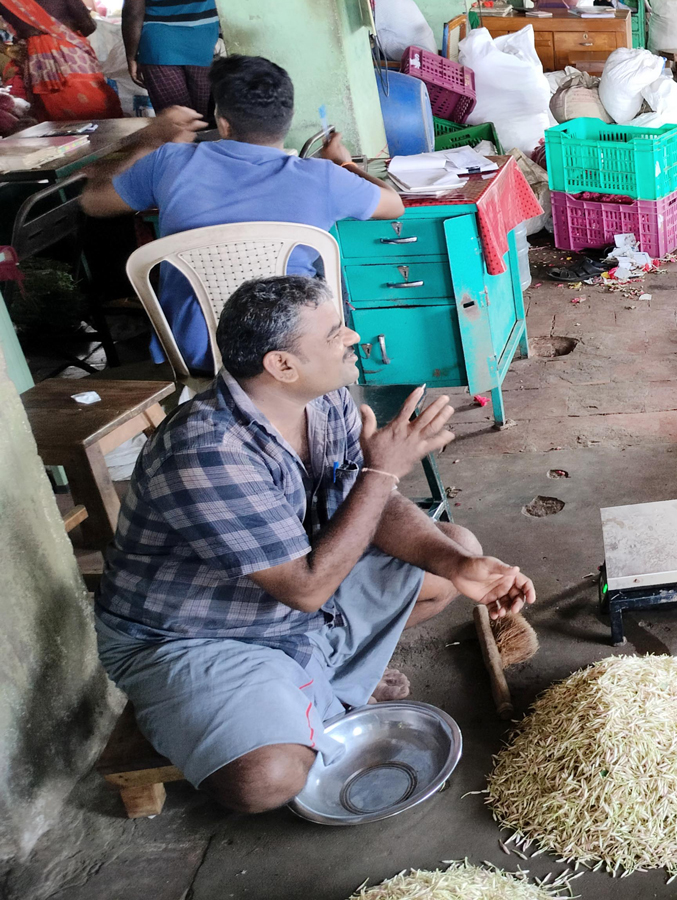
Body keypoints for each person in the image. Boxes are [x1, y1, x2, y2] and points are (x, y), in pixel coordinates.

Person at [94, 275, 537, 813]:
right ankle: (195, 700)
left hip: (294, 604)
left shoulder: (324, 403)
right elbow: (305, 588)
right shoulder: (207, 450)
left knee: (451, 554)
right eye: (333, 334)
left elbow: (366, 506)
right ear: (283, 365)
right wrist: (382, 471)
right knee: (266, 781)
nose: (352, 336)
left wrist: (458, 563)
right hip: (200, 634)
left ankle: (317, 686)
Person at [80, 55, 403, 376]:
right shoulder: (325, 177)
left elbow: (93, 201)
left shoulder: (168, 161)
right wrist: (345, 164)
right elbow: (394, 205)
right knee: (329, 276)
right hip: (295, 351)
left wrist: (153, 137)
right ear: (287, 119)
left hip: (196, 351)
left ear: (222, 121)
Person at [0, 0, 123, 120]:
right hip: (73, 56)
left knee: (53, 110)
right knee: (95, 101)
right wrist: (60, 31)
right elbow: (88, 26)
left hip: (37, 61)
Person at [122, 0, 219, 119]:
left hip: (160, 43)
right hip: (203, 42)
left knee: (176, 121)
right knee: (202, 118)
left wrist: (131, 56)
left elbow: (132, 13)